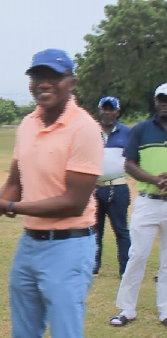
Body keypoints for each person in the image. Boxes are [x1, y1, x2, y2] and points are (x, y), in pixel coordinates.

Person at [0, 49, 104, 338]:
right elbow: (15, 183)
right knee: (24, 331)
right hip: (30, 245)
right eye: (38, 76)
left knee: (66, 331)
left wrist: (10, 206)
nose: (43, 83)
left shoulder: (84, 128)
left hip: (69, 245)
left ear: (71, 83)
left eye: (53, 76)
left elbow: (74, 203)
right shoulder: (28, 124)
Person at [110, 83, 167, 328]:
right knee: (137, 256)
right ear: (155, 101)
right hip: (147, 202)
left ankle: (165, 310)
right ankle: (126, 308)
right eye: (161, 99)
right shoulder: (142, 129)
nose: (164, 103)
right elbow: (129, 165)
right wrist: (156, 180)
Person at [93, 96, 132, 277]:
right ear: (100, 110)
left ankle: (125, 268)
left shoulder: (127, 133)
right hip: (94, 188)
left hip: (118, 187)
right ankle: (93, 267)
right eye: (104, 109)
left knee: (121, 230)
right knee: (94, 230)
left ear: (117, 111)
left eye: (111, 109)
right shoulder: (91, 131)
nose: (107, 112)